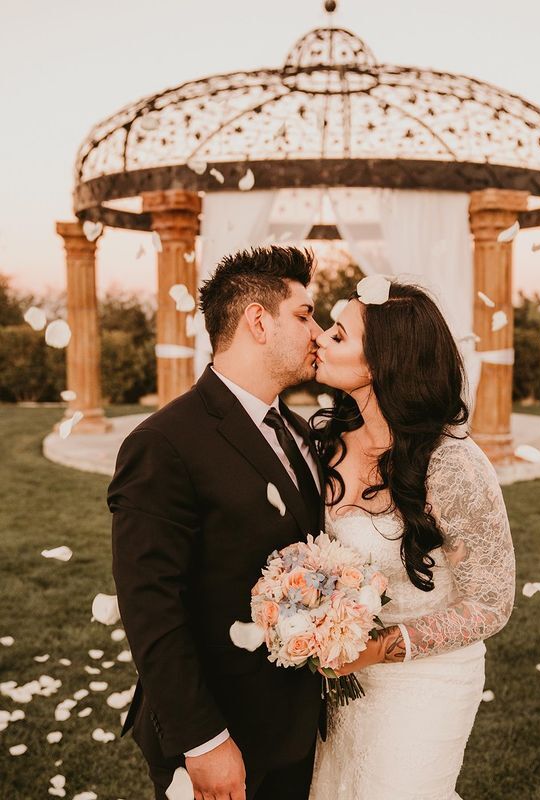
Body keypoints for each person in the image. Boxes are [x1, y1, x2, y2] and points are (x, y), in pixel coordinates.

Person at [108, 246, 325, 800]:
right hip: (224, 733)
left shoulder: (299, 432)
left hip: (298, 728)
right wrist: (203, 740)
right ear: (258, 321)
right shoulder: (164, 443)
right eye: (304, 315)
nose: (317, 333)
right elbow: (150, 604)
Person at [309, 280, 516, 800]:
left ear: (382, 362)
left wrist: (378, 649)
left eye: (338, 334)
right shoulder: (325, 444)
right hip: (340, 682)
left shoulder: (452, 465)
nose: (319, 338)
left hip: (427, 683)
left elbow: (491, 604)